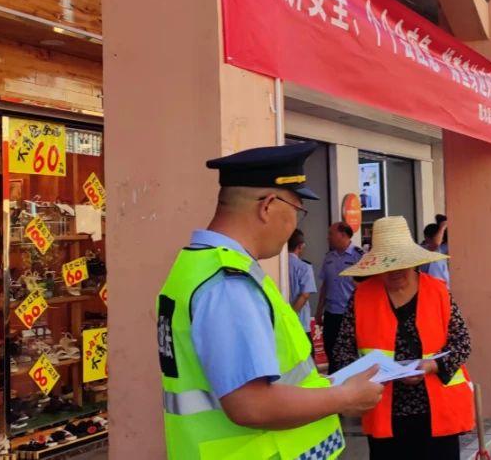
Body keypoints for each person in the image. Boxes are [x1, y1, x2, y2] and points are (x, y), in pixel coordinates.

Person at [156, 143, 383, 460]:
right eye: (297, 212)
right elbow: (251, 405)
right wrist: (345, 397)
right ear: (268, 205)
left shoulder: (198, 266)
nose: (294, 226)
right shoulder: (228, 282)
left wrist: (328, 387)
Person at [330, 217, 473, 460]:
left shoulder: (438, 291)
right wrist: (369, 376)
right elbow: (343, 351)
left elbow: (462, 342)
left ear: (412, 262)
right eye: (387, 265)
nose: (394, 272)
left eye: (400, 264)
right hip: (384, 413)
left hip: (437, 412)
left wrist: (431, 365)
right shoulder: (362, 296)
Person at [316, 221, 364, 370]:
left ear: (343, 235)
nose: (328, 237)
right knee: (331, 351)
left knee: (350, 356)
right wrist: (319, 310)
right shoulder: (329, 257)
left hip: (351, 315)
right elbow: (325, 285)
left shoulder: (359, 256)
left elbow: (366, 287)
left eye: (331, 234)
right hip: (331, 313)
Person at [287, 229, 318, 340]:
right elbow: (305, 295)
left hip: (281, 320)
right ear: (300, 246)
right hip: (300, 321)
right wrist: (291, 316)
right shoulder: (304, 267)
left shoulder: (280, 264)